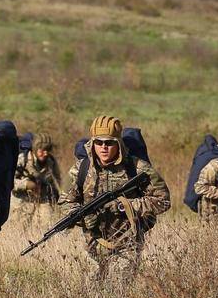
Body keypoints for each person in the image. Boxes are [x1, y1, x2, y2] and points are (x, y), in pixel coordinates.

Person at [58, 115, 170, 280]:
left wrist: (123, 205)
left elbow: (163, 201)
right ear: (92, 143)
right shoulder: (80, 169)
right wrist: (82, 216)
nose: (104, 147)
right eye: (99, 142)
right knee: (90, 296)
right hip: (91, 245)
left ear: (118, 143)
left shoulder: (137, 168)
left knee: (117, 296)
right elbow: (65, 202)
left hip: (128, 244)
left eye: (109, 143)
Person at [11, 133, 62, 228]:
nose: (45, 153)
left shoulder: (51, 162)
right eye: (42, 150)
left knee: (48, 227)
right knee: (18, 231)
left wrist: (54, 194)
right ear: (35, 149)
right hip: (22, 201)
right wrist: (26, 184)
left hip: (43, 200)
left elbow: (57, 181)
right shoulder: (23, 160)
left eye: (48, 150)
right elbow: (9, 182)